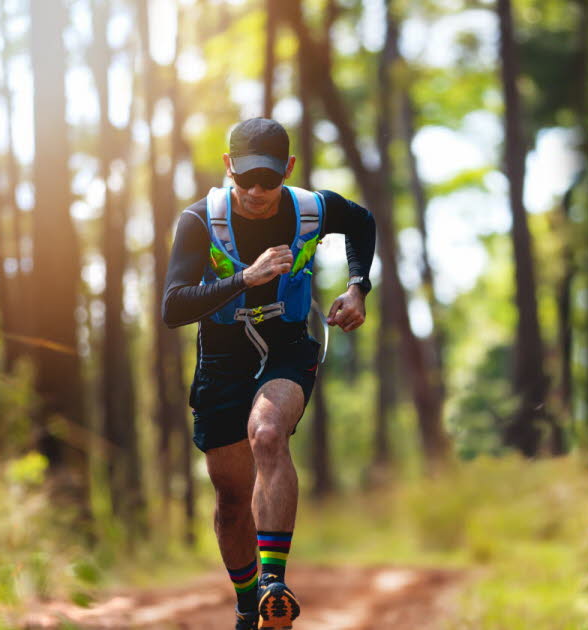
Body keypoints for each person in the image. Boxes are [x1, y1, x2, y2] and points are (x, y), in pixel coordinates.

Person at [162, 117, 376, 629]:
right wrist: (245, 277)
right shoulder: (199, 222)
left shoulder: (310, 209)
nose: (257, 191)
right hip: (221, 359)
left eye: (270, 179)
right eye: (246, 179)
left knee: (268, 433)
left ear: (289, 170)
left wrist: (357, 286)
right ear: (228, 167)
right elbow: (173, 306)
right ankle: (246, 606)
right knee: (232, 497)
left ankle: (273, 584)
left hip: (286, 344)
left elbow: (363, 221)